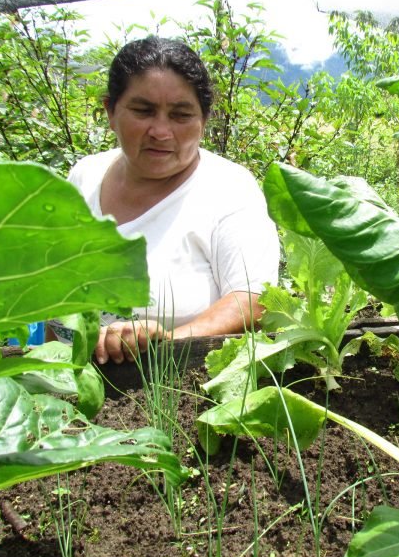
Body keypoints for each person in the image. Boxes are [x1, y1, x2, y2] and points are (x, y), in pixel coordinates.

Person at [48, 36, 280, 365]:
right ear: (111, 111)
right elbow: (53, 287)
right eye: (143, 111)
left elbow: (254, 299)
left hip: (174, 390)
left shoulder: (229, 189)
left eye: (180, 115)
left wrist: (166, 341)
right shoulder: (84, 176)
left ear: (204, 120)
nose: (160, 131)